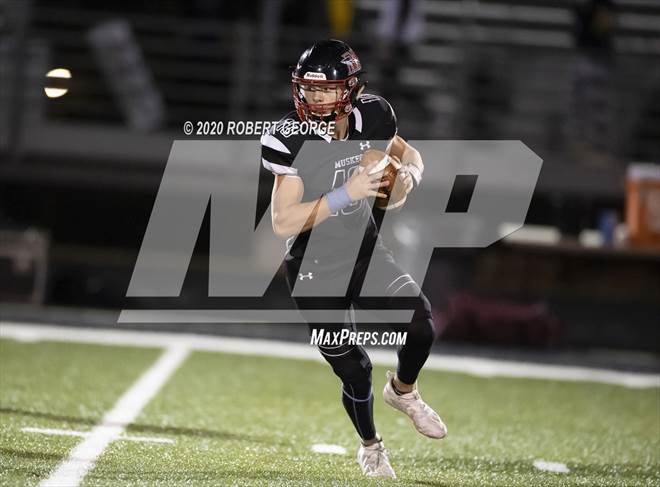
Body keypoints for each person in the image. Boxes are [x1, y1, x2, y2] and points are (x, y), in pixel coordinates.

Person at [260, 39, 446, 479]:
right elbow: (283, 222)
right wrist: (347, 193)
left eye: (325, 89)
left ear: (351, 89)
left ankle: (403, 391)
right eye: (308, 88)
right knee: (355, 370)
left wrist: (408, 177)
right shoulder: (289, 136)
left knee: (420, 323)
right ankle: (371, 445)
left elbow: (407, 155)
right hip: (313, 269)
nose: (315, 98)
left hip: (363, 252)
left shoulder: (373, 116)